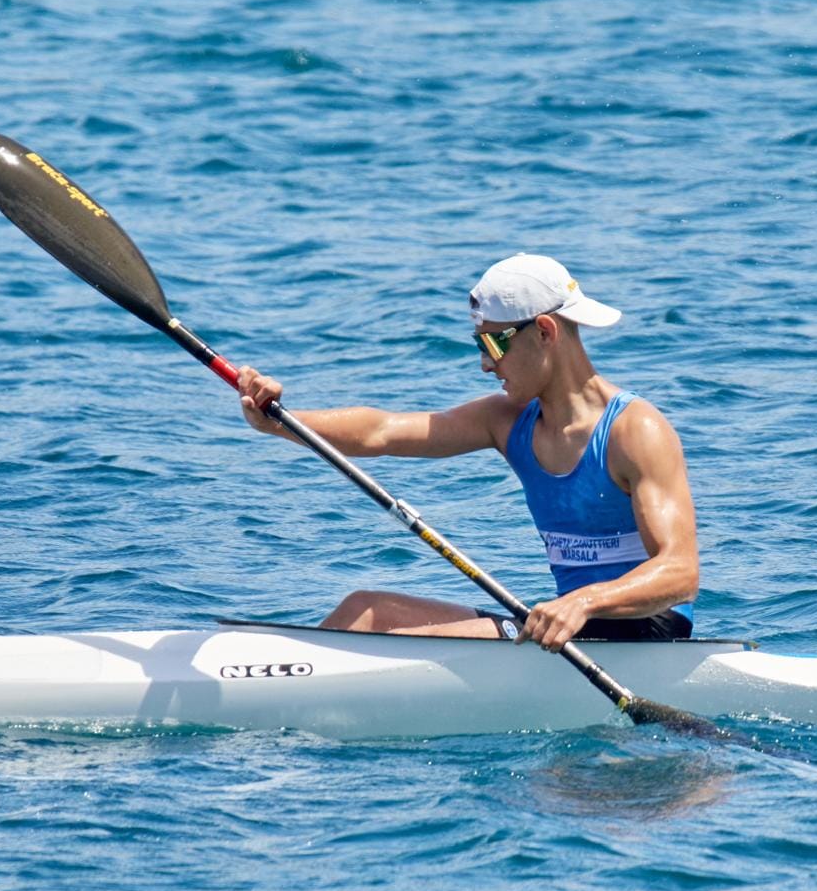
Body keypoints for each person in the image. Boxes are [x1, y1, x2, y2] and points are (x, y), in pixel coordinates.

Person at [237, 253, 698, 652]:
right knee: (365, 613)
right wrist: (277, 419)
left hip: (643, 633)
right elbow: (381, 431)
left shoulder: (635, 430)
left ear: (544, 331)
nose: (485, 363)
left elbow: (679, 572)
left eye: (494, 343)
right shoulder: (507, 421)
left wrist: (583, 601)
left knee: (398, 648)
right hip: (567, 629)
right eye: (480, 345)